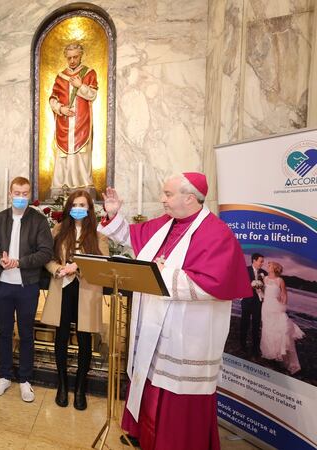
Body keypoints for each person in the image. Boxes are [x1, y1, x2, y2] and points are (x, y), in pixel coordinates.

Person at [99, 172, 252, 450]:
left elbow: (213, 283)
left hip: (187, 331)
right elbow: (132, 239)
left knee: (174, 391)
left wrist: (161, 274)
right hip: (154, 321)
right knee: (148, 377)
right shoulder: (166, 224)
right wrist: (114, 214)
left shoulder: (216, 233)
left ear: (190, 198)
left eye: (168, 194)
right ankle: (145, 436)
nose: (163, 200)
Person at [0, 176, 54, 402]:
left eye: (25, 194)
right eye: (17, 193)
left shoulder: (39, 221)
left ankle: (25, 379)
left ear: (29, 195)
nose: (21, 197)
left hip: (27, 286)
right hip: (2, 284)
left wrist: (20, 262)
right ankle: (4, 376)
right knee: (4, 332)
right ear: (10, 194)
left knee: (25, 334)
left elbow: (45, 252)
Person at [41, 190, 108, 410]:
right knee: (60, 337)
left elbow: (103, 263)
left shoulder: (99, 235)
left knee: (84, 339)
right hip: (63, 288)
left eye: (82, 204)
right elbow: (48, 257)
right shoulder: (59, 230)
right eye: (74, 204)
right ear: (69, 208)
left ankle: (80, 388)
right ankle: (62, 384)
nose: (78, 208)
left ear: (89, 208)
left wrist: (79, 265)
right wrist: (58, 269)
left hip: (86, 291)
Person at [49, 42, 98, 193]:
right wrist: (61, 109)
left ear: (81, 56)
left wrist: (80, 85)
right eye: (69, 58)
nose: (72, 61)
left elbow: (92, 94)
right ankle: (60, 185)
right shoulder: (60, 76)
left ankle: (83, 184)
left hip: (81, 122)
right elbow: (52, 99)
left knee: (81, 154)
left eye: (75, 57)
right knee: (62, 155)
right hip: (64, 123)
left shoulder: (89, 73)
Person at [260, 262, 304, 374]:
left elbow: (284, 295)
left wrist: (283, 306)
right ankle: (271, 353)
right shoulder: (264, 279)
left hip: (277, 308)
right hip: (266, 307)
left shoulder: (280, 280)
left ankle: (285, 358)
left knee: (282, 330)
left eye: (269, 266)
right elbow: (263, 293)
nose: (267, 267)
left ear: (274, 268)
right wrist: (258, 290)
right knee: (268, 330)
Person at [240, 253, 267, 357]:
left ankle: (255, 348)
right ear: (254, 261)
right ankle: (243, 345)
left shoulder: (264, 273)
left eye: (263, 261)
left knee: (256, 325)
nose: (262, 263)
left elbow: (266, 288)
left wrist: (261, 288)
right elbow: (240, 283)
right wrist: (251, 286)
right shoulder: (245, 270)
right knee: (244, 324)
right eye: (261, 261)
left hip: (258, 302)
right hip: (247, 301)